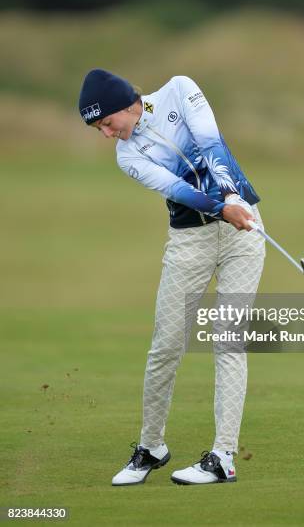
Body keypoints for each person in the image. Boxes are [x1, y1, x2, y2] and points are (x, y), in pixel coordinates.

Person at [78, 69, 265, 485]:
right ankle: (151, 447)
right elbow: (179, 191)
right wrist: (222, 209)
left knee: (228, 340)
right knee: (165, 345)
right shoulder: (128, 155)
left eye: (107, 123)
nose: (107, 134)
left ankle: (223, 456)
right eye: (99, 130)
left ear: (128, 104)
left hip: (245, 232)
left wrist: (233, 198)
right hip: (189, 242)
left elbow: (210, 142)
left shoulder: (180, 90)